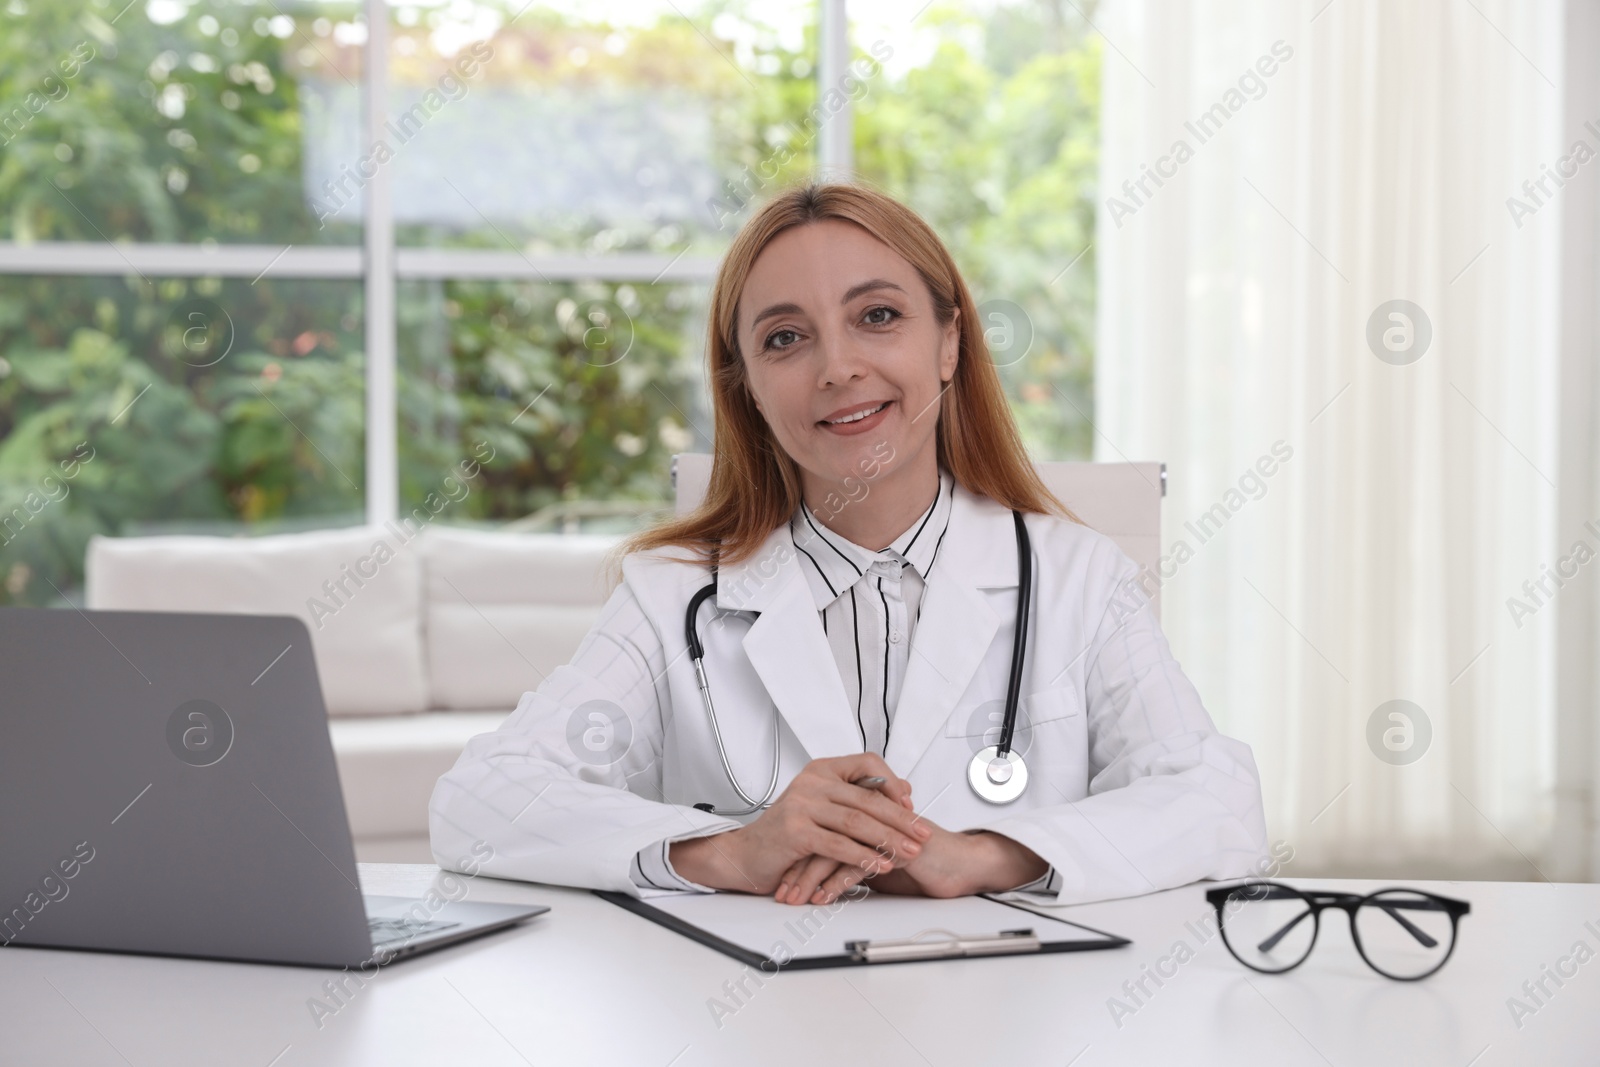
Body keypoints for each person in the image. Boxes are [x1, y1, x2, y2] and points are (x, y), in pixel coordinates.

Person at [429, 182, 1269, 909]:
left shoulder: (1077, 578)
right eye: (785, 338)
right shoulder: (671, 596)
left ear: (948, 344)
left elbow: (1218, 800)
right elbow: (479, 801)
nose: (837, 367)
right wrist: (734, 851)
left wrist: (980, 855)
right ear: (748, 388)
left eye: (877, 317)